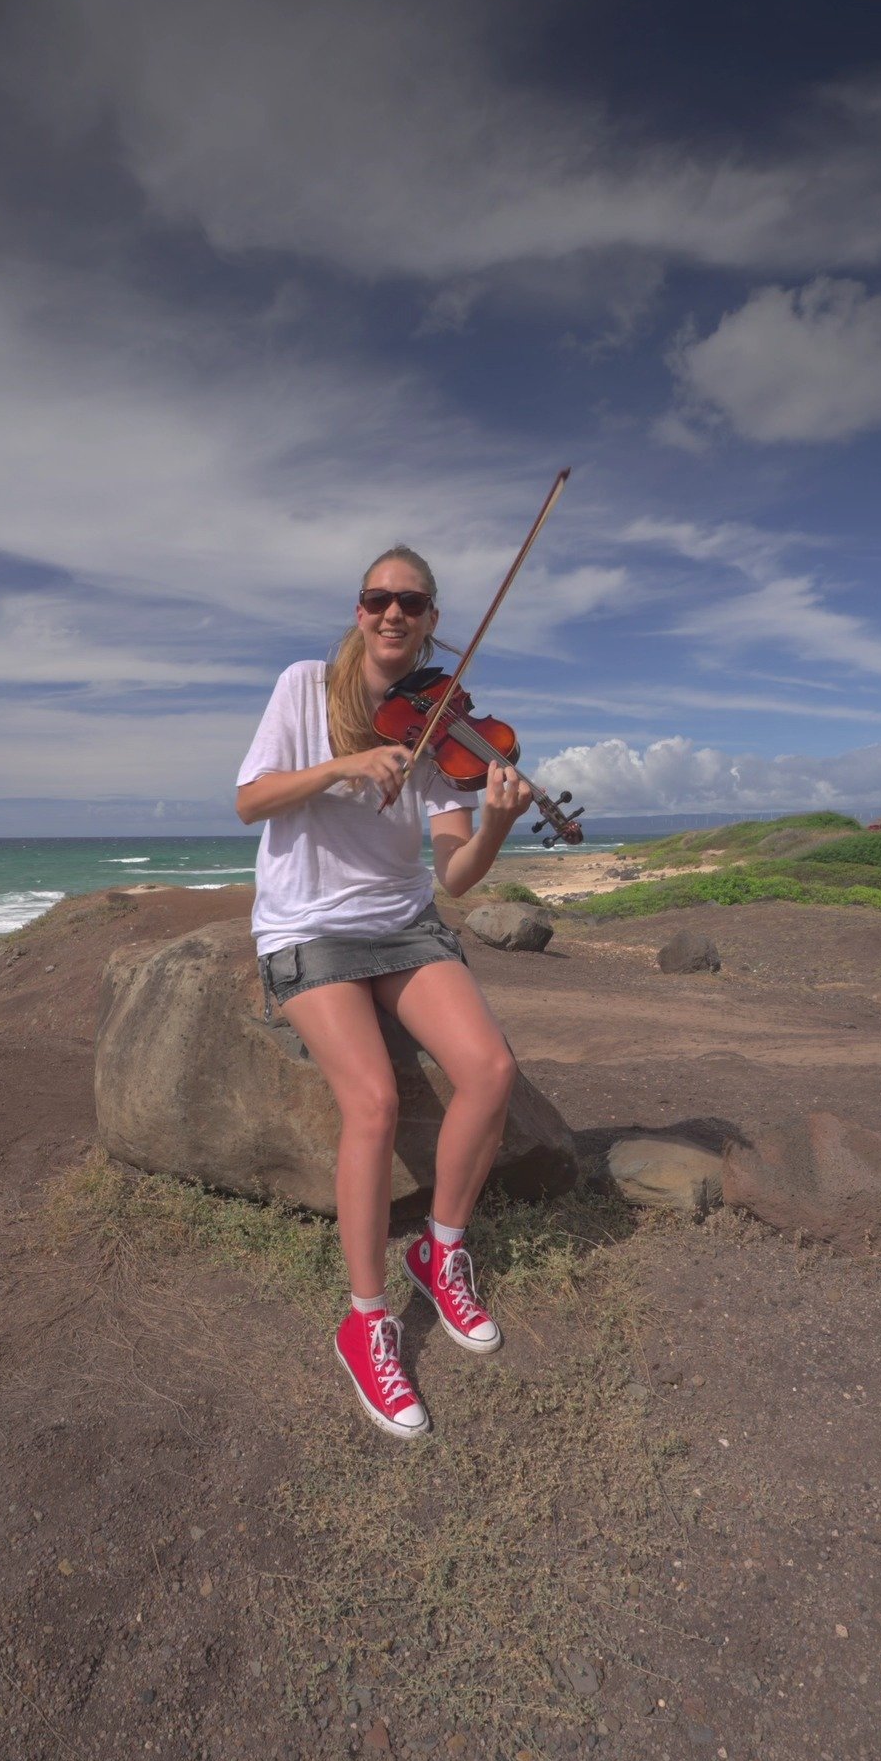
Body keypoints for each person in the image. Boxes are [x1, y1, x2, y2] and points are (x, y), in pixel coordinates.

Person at [235, 545, 534, 1438]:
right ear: (360, 610)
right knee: (370, 1102)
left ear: (434, 618)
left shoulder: (445, 730)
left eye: (412, 602)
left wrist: (498, 823)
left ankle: (438, 1254)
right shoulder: (305, 688)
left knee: (490, 1068)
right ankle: (366, 1323)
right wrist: (344, 766)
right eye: (378, 599)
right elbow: (250, 800)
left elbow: (460, 878)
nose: (393, 613)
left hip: (402, 926)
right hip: (309, 928)